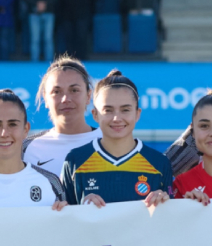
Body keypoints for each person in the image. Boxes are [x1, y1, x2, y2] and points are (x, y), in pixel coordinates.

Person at [60, 71, 173, 208]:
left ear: (137, 114)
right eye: (108, 110)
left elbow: (169, 218)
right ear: (95, 115)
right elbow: (64, 218)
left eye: (125, 110)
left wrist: (165, 200)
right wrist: (81, 208)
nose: (117, 118)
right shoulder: (75, 161)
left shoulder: (159, 163)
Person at [23, 57, 98, 174]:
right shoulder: (26, 149)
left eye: (74, 90)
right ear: (45, 98)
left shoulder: (109, 141)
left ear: (88, 96)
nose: (66, 99)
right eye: (56, 92)